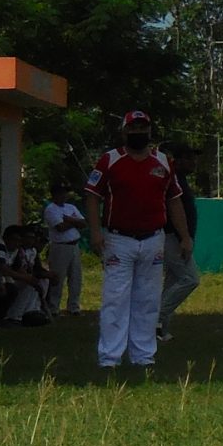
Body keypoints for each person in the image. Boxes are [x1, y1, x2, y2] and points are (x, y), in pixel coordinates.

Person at [83, 109, 188, 368]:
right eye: (133, 128)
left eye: (143, 128)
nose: (138, 133)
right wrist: (95, 232)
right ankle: (110, 358)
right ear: (124, 131)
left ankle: (143, 356)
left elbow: (175, 201)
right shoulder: (109, 160)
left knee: (148, 299)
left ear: (150, 131)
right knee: (116, 298)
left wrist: (185, 236)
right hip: (119, 239)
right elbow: (92, 196)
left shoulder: (163, 162)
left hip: (153, 238)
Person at [156, 141, 202, 341]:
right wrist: (184, 238)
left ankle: (160, 330)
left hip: (178, 237)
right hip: (172, 237)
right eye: (190, 159)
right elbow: (174, 209)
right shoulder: (172, 177)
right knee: (190, 279)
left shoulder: (180, 178)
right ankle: (155, 317)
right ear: (178, 160)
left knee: (173, 282)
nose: (194, 163)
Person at [42, 182, 89, 315]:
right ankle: (53, 306)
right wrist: (74, 222)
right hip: (60, 246)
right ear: (55, 195)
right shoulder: (51, 209)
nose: (64, 196)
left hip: (74, 244)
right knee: (58, 277)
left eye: (65, 193)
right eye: (61, 193)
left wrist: (69, 220)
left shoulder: (71, 207)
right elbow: (60, 227)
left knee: (76, 277)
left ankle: (74, 306)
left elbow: (83, 223)